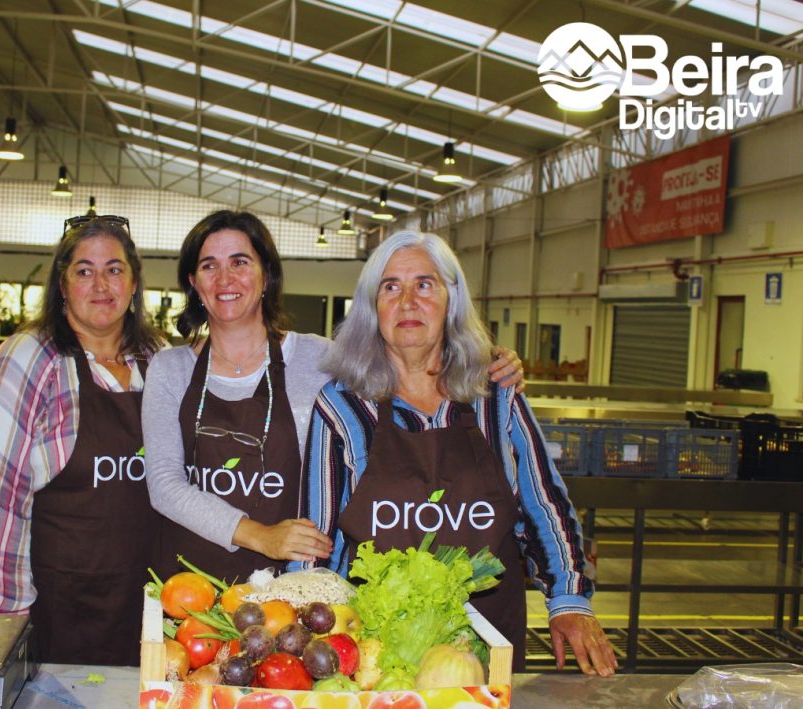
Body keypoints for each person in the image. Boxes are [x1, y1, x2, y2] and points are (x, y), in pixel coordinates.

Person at [142, 210, 525, 584]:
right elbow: (164, 484)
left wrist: (484, 361)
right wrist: (261, 534)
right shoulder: (170, 369)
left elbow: (411, 365)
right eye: (209, 266)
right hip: (191, 587)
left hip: (295, 583)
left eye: (240, 262)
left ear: (266, 276)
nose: (225, 278)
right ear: (193, 281)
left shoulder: (322, 359)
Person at [297, 230, 617, 676]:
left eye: (424, 284)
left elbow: (543, 503)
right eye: (391, 287)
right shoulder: (343, 404)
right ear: (373, 308)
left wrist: (569, 600)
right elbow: (318, 536)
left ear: (453, 300)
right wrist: (308, 626)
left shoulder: (496, 395)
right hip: (375, 647)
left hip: (486, 640)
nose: (407, 301)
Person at [0, 214, 165, 666]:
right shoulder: (29, 358)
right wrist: (9, 613)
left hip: (148, 605)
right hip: (58, 608)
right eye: (84, 271)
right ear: (62, 285)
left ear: (134, 285)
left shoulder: (158, 360)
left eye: (115, 269)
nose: (101, 285)